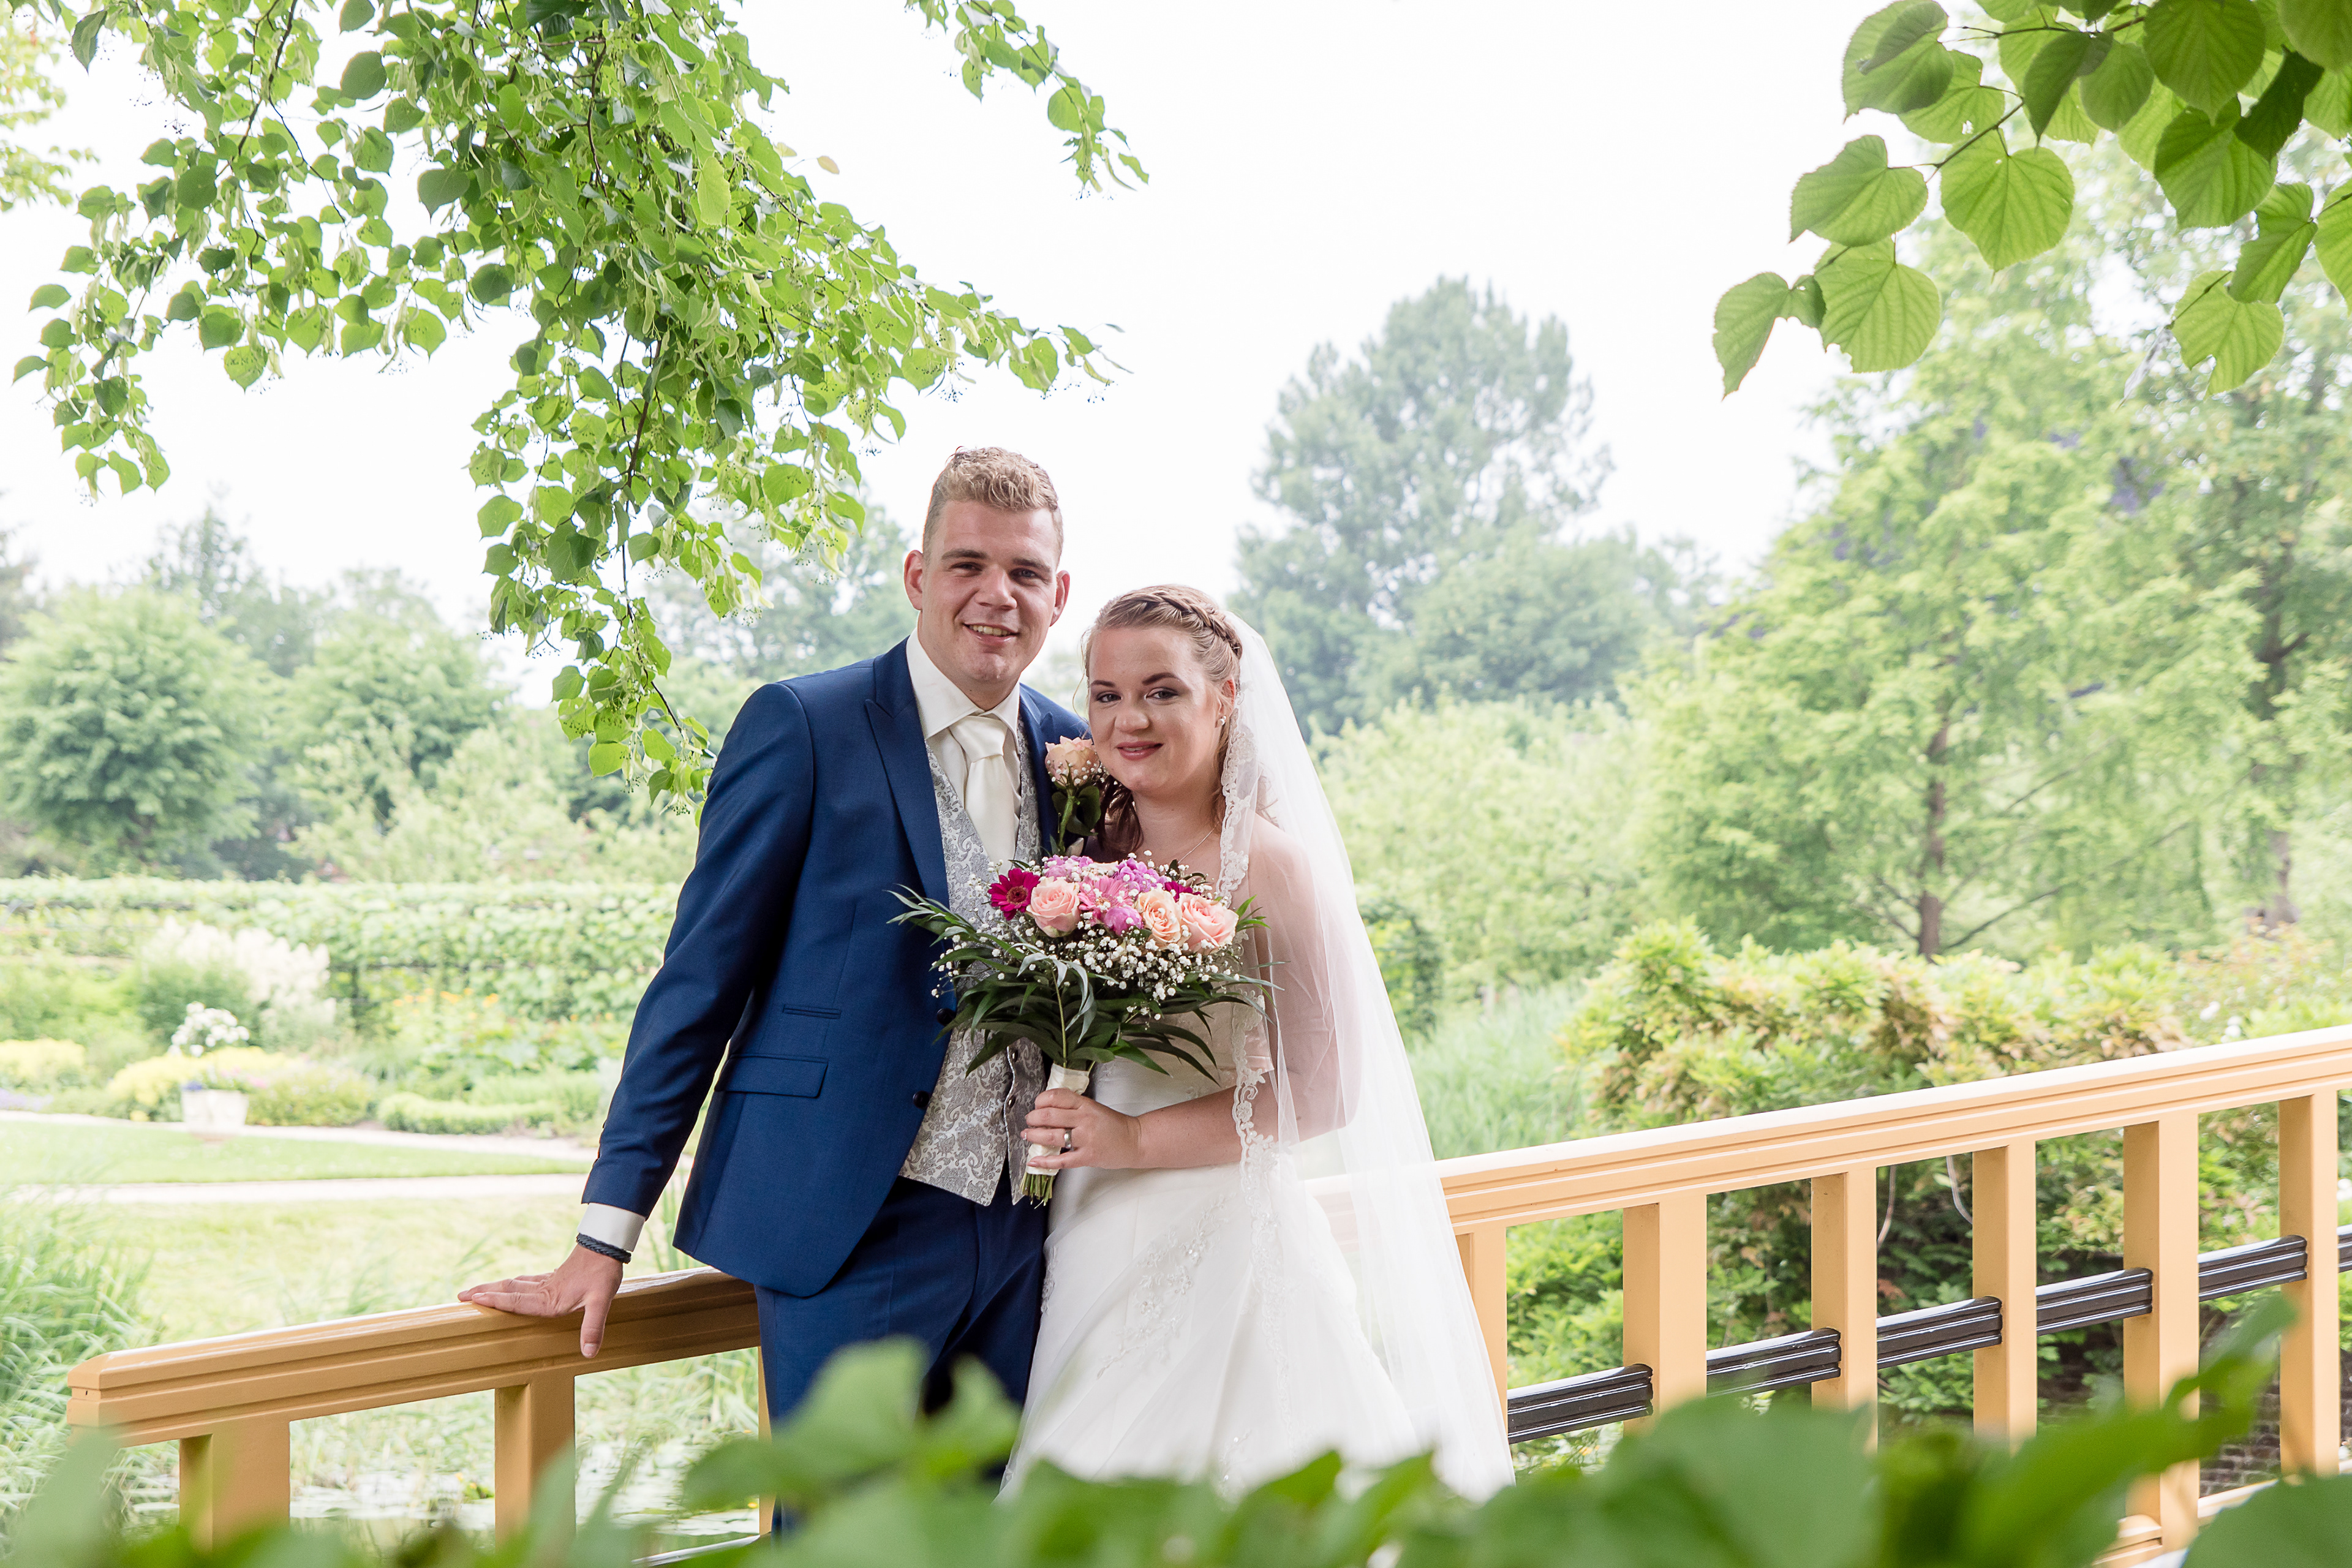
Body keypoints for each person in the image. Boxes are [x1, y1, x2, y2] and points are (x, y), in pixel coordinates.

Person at [458, 447, 1089, 1426]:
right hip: (845, 1224)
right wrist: (606, 1234)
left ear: (1058, 596)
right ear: (918, 575)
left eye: (1025, 573)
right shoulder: (804, 725)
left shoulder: (1076, 752)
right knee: (837, 1509)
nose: (996, 595)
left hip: (1027, 1237)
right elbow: (699, 980)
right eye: (967, 564)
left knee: (992, 1510)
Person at [1006, 586, 1514, 1498]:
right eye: (1107, 694)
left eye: (1162, 691)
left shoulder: (1270, 866)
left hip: (1216, 1223)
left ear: (1225, 697)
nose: (1128, 719)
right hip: (1085, 1219)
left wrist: (1132, 1139)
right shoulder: (1091, 838)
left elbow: (1326, 1093)